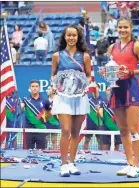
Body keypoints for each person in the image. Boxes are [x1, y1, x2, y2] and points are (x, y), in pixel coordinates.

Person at [99, 17, 139, 178]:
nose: (122, 30)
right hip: (116, 90)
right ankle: (129, 163)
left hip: (131, 88)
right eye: (120, 27)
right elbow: (113, 68)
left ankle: (137, 165)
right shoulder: (113, 47)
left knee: (134, 129)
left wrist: (132, 72)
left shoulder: (137, 46)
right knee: (123, 130)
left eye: (125, 27)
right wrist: (105, 73)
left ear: (131, 29)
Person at [50, 24, 91, 177]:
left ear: (78, 37)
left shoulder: (85, 56)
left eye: (74, 35)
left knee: (75, 132)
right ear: (65, 37)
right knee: (65, 130)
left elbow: (89, 75)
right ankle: (63, 164)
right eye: (69, 35)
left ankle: (72, 163)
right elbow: (53, 75)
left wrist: (85, 85)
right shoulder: (57, 56)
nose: (72, 38)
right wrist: (53, 86)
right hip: (62, 97)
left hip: (79, 97)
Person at [21, 80, 48, 149]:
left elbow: (48, 116)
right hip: (29, 130)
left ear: (39, 88)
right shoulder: (25, 100)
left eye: (36, 86)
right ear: (30, 88)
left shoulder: (45, 100)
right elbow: (21, 109)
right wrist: (21, 107)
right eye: (33, 86)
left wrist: (47, 131)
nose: (34, 88)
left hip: (41, 130)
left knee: (41, 153)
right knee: (28, 153)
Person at [83, 83, 104, 150]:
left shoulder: (103, 100)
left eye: (96, 87)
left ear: (99, 89)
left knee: (100, 142)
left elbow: (101, 114)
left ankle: (101, 157)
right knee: (86, 141)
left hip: (99, 124)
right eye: (93, 87)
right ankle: (84, 155)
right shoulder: (87, 100)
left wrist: (98, 111)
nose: (95, 89)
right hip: (90, 125)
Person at [102, 86, 121, 151]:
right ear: (105, 91)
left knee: (116, 149)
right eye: (107, 90)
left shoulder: (118, 102)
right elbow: (100, 116)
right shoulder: (102, 103)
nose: (109, 91)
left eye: (110, 90)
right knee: (105, 148)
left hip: (116, 127)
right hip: (106, 128)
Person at [44, 85, 60, 150]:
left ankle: (55, 152)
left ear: (53, 91)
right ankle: (44, 153)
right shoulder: (45, 101)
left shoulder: (58, 101)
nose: (47, 90)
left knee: (54, 140)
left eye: (49, 89)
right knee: (45, 140)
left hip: (55, 123)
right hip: (46, 123)